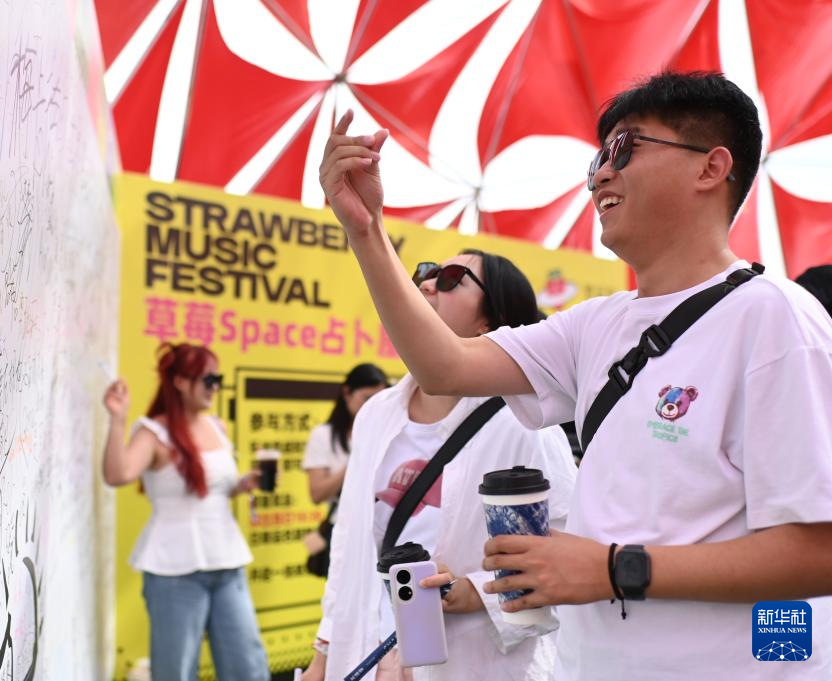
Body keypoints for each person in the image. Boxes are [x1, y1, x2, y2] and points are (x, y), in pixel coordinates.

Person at [319, 71, 832, 680]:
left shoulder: (776, 319)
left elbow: (817, 551)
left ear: (711, 168)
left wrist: (613, 569)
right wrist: (366, 230)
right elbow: (445, 364)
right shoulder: (595, 324)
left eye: (626, 149)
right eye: (598, 158)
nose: (601, 175)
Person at [301, 249, 577, 680]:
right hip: (372, 658)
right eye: (425, 273)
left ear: (490, 322)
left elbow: (565, 558)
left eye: (451, 279)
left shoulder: (524, 425)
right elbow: (349, 545)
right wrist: (325, 649)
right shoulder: (377, 413)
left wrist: (475, 592)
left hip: (473, 665)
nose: (427, 284)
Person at [102, 342, 269, 681]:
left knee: (248, 666)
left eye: (218, 379)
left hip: (227, 562)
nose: (215, 387)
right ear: (180, 381)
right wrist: (118, 419)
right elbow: (118, 474)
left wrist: (242, 484)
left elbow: (213, 490)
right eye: (208, 379)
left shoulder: (217, 426)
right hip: (174, 570)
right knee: (175, 671)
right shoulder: (154, 432)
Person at [303, 363, 389, 505]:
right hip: (341, 518)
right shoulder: (323, 435)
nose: (373, 407)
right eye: (367, 399)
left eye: (379, 400)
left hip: (381, 518)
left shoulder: (389, 433)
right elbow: (317, 494)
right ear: (347, 393)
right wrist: (356, 461)